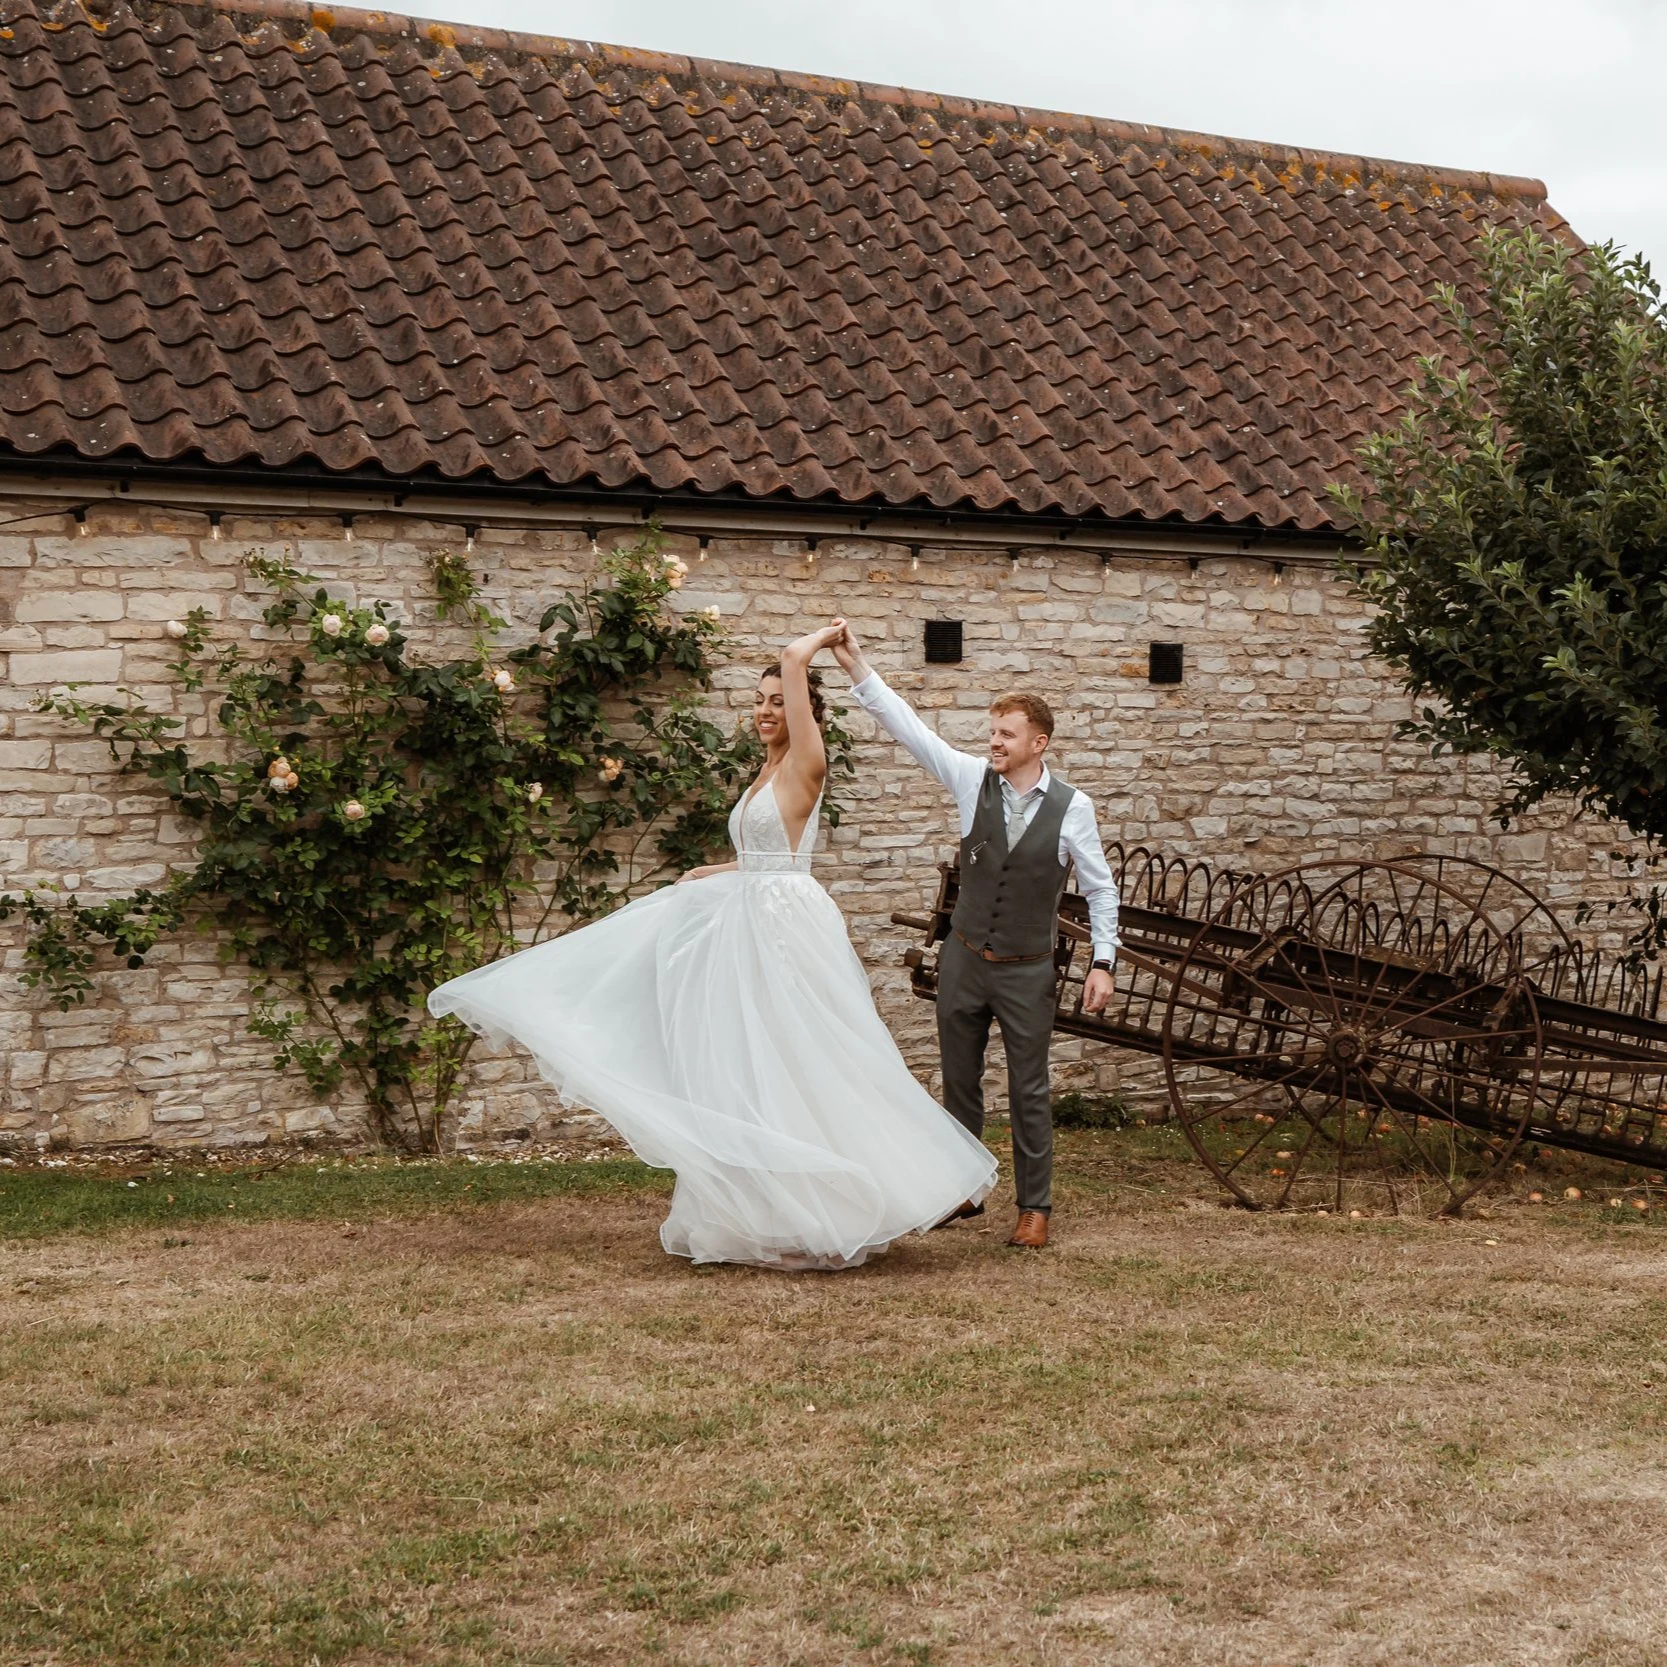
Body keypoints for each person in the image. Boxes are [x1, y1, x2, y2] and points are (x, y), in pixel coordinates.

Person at [427, 624, 997, 1270]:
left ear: (802, 709)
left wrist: (827, 642)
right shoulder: (768, 768)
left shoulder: (808, 760)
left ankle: (867, 1193)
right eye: (758, 700)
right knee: (750, 1066)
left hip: (785, 929)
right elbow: (766, 854)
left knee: (805, 1059)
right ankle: (775, 1210)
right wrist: (716, 872)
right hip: (747, 919)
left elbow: (789, 666)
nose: (764, 709)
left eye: (777, 700)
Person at [829, 619, 1120, 1250]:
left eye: (1006, 734)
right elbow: (908, 729)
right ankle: (960, 1189)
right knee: (957, 1080)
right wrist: (856, 665)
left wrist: (1104, 961)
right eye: (992, 731)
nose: (994, 742)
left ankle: (1034, 1207)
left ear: (1037, 743)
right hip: (965, 958)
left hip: (1027, 969)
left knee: (1029, 1088)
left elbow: (1100, 888)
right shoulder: (969, 779)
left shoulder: (1075, 808)